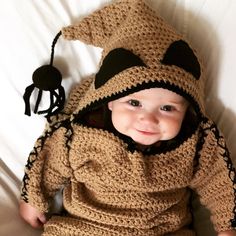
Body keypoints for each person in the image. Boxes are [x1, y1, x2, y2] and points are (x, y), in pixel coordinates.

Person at [19, 0, 236, 235]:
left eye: (167, 108)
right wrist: (32, 198)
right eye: (134, 103)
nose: (148, 119)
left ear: (187, 110)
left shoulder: (196, 142)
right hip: (87, 227)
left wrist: (227, 225)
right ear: (110, 101)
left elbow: (219, 182)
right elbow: (49, 159)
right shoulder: (82, 134)